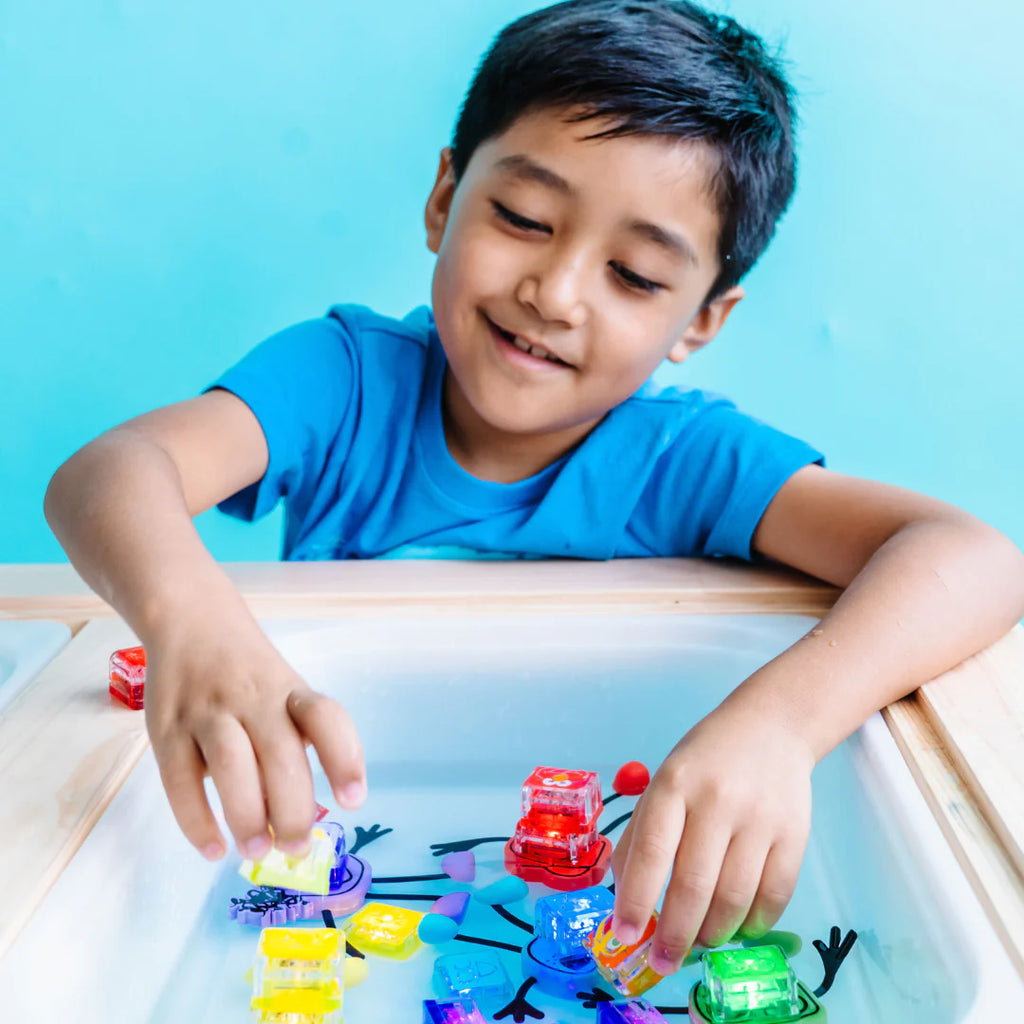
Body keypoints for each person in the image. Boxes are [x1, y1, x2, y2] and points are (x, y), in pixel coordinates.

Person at [44, 0, 1024, 980]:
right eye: (522, 218)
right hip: (361, 861)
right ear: (443, 198)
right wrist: (195, 623)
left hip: (597, 891)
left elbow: (971, 558)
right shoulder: (341, 383)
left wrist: (779, 723)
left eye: (635, 274)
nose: (554, 292)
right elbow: (109, 473)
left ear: (702, 320)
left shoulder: (683, 459)